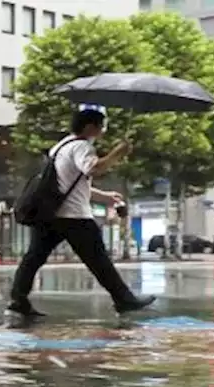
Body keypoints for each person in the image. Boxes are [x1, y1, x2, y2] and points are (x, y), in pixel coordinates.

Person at [8, 109, 155, 317]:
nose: (102, 131)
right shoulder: (81, 146)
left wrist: (104, 196)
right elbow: (95, 169)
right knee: (99, 261)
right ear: (89, 127)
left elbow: (69, 183)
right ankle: (124, 300)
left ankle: (18, 301)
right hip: (74, 217)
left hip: (51, 215)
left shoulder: (62, 145)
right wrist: (118, 153)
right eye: (100, 126)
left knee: (33, 258)